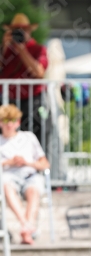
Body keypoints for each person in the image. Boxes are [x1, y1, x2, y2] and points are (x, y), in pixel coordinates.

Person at [0, 104, 49, 244]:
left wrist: (27, 163)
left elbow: (45, 164)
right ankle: (28, 227)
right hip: (8, 176)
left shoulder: (29, 137)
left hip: (30, 175)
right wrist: (8, 162)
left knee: (33, 190)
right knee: (6, 185)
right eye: (5, 120)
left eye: (12, 120)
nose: (9, 124)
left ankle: (26, 227)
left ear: (18, 122)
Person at [0, 13, 49, 145]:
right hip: (8, 101)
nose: (19, 33)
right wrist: (4, 46)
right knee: (7, 137)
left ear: (29, 32)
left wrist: (22, 49)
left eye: (23, 30)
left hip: (32, 101)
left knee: (35, 137)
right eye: (16, 30)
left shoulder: (39, 49)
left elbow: (39, 72)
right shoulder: (6, 50)